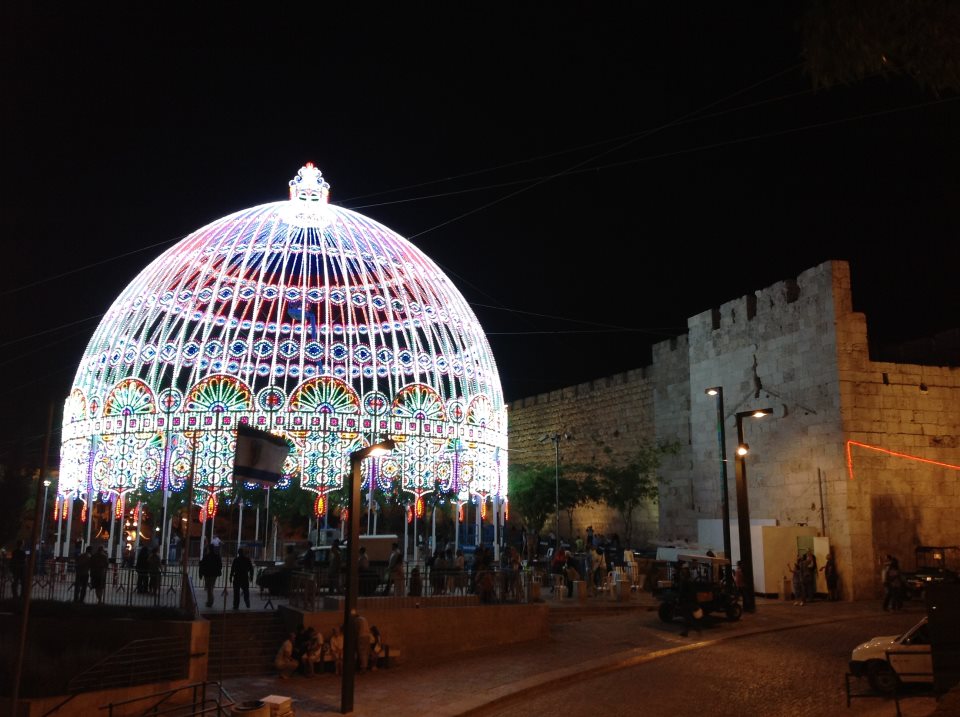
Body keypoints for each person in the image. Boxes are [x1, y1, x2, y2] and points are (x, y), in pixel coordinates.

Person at [675, 561, 702, 637]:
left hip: (686, 601)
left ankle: (692, 629)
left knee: (687, 617)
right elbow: (693, 592)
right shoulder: (690, 581)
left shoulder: (684, 582)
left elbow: (682, 592)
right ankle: (689, 630)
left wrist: (679, 600)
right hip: (690, 601)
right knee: (688, 617)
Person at [199, 540, 222, 608]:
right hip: (214, 574)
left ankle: (210, 601)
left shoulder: (206, 556)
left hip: (207, 574)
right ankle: (210, 600)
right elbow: (220, 565)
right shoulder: (216, 556)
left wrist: (200, 573)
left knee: (209, 588)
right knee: (210, 587)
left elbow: (202, 565)